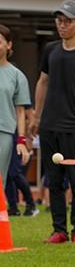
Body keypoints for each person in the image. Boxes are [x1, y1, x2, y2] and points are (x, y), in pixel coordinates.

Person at [31, 0, 75, 244]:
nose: (62, 25)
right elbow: (42, 82)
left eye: (67, 21)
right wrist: (36, 116)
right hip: (49, 125)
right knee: (54, 181)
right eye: (59, 20)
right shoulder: (51, 50)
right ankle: (59, 230)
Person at [0, 24, 31, 182]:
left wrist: (21, 140)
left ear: (9, 45)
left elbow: (20, 111)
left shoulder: (17, 76)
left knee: (0, 180)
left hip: (4, 133)